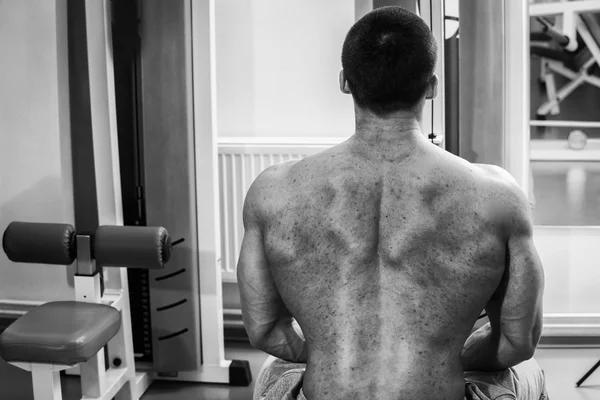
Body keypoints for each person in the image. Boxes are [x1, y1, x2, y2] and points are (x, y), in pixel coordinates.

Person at [237, 6, 548, 400]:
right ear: (431, 86)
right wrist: (454, 357)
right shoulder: (498, 195)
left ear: (345, 82)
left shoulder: (273, 191)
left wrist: (330, 357)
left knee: (273, 370)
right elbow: (518, 343)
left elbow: (265, 330)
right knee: (529, 370)